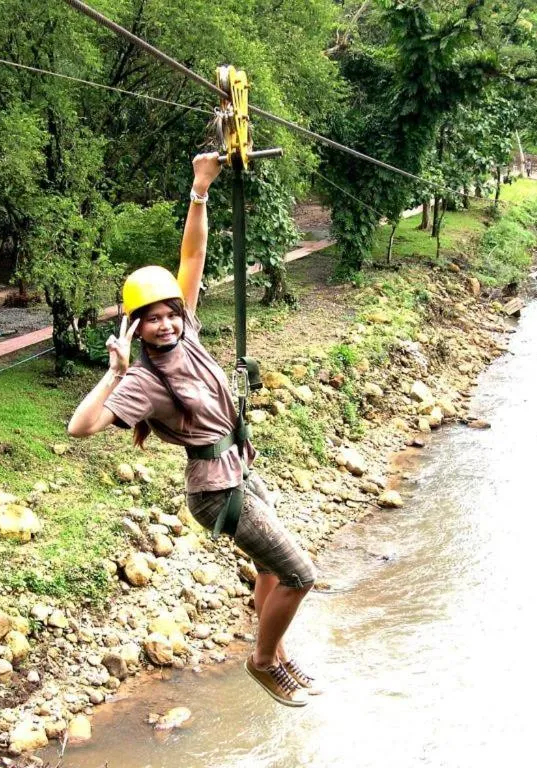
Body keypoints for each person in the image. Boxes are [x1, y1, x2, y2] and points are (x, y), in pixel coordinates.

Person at [68, 152, 320, 707]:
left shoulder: (191, 335)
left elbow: (193, 256)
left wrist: (200, 188)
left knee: (270, 569)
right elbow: (79, 427)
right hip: (217, 492)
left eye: (171, 313)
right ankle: (261, 661)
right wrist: (112, 373)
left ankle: (274, 652)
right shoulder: (144, 379)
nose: (166, 323)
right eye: (152, 318)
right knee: (300, 573)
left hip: (241, 470)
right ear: (136, 326)